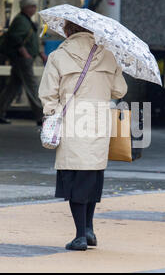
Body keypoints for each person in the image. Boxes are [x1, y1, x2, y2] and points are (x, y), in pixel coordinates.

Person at [38, 20, 128, 251]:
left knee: (74, 174)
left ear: (67, 31)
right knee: (92, 174)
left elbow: (48, 92)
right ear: (91, 31)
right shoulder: (107, 55)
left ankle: (79, 236)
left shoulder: (59, 56)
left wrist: (51, 115)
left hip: (71, 120)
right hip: (98, 119)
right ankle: (88, 229)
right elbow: (120, 90)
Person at [0, 0, 47, 125]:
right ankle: (40, 116)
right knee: (31, 86)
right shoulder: (21, 21)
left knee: (12, 87)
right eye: (31, 6)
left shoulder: (26, 21)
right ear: (25, 8)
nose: (34, 9)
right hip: (22, 59)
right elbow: (15, 37)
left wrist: (40, 53)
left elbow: (31, 40)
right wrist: (25, 53)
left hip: (23, 59)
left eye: (34, 6)